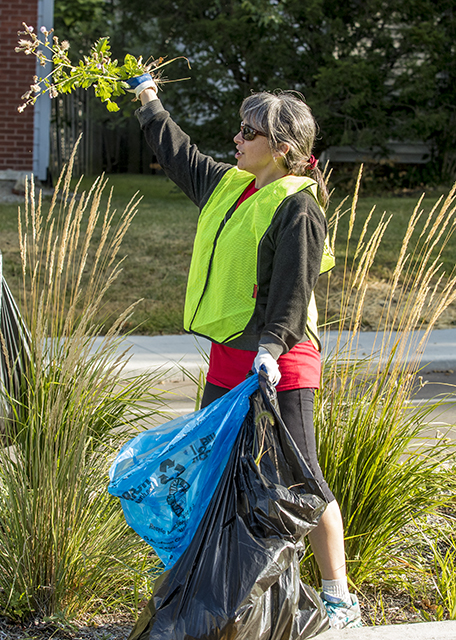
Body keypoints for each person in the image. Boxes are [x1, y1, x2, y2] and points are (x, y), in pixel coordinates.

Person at [125, 74, 363, 630]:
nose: (236, 138)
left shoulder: (298, 209)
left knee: (301, 476)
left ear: (282, 148)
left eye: (248, 131)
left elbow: (292, 291)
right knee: (217, 474)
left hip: (281, 365)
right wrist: (148, 101)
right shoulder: (233, 185)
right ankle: (223, 589)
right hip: (230, 359)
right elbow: (178, 154)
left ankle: (338, 597)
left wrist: (272, 352)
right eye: (239, 128)